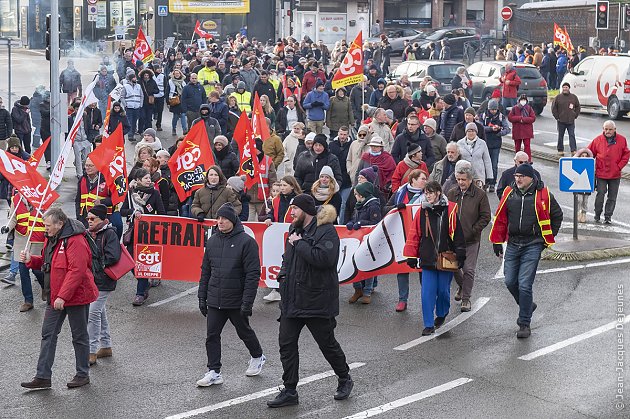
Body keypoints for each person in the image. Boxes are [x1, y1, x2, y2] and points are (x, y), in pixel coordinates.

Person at [267, 194, 353, 407]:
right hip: (292, 299)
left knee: (327, 344)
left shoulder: (326, 230)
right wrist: (282, 278)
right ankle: (289, 390)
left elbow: (325, 259)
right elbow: (287, 258)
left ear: (306, 210)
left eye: (295, 209)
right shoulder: (293, 231)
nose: (291, 212)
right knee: (286, 345)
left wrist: (300, 244)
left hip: (317, 299)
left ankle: (344, 378)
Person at [20, 208, 99, 390]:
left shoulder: (76, 240)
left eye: (48, 225)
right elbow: (49, 263)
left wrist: (63, 295)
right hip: (56, 295)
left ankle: (82, 374)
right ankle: (43, 376)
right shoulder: (52, 237)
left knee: (79, 336)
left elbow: (77, 271)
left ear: (60, 224)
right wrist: (31, 260)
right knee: (48, 334)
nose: (44, 229)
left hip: (76, 296)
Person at [196, 203, 266, 387]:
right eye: (218, 218)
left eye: (224, 218)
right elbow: (205, 271)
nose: (220, 221)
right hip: (215, 299)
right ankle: (214, 371)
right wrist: (202, 297)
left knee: (244, 332)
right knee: (212, 335)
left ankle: (258, 356)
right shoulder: (212, 241)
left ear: (233, 220)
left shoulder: (246, 242)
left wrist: (247, 303)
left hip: (236, 299)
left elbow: (253, 274)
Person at [490, 163, 563, 338]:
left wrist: (547, 239)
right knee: (509, 281)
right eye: (516, 176)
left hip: (533, 244)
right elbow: (500, 218)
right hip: (514, 243)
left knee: (524, 284)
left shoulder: (543, 194)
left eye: (521, 176)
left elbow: (557, 215)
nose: (518, 179)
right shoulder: (509, 193)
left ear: (531, 178)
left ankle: (524, 323)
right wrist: (497, 242)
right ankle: (527, 305)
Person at [403, 181, 466, 336]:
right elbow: (414, 234)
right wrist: (411, 255)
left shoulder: (450, 210)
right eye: (426, 193)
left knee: (443, 291)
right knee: (427, 292)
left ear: (438, 192)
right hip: (427, 258)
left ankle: (443, 312)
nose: (428, 195)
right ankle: (428, 324)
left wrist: (461, 253)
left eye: (430, 192)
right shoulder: (421, 212)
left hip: (446, 258)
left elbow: (457, 234)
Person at [446, 161, 490, 312]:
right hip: (453, 240)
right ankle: (461, 286)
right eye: (458, 179)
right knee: (454, 268)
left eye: (463, 179)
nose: (460, 182)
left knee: (468, 269)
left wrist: (473, 230)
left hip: (471, 239)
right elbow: (446, 213)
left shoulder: (480, 195)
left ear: (470, 179)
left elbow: (485, 217)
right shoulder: (452, 193)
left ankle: (466, 299)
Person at [120, 168, 166, 306]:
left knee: (143, 262)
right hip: (133, 232)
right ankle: (144, 281)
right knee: (130, 260)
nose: (149, 180)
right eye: (145, 178)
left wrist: (150, 218)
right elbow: (122, 211)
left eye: (149, 178)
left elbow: (162, 212)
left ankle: (140, 293)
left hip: (148, 234)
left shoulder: (155, 193)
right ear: (138, 180)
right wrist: (133, 211)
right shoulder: (130, 194)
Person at [86, 204, 121, 366]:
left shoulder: (109, 233)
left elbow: (113, 256)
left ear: (101, 219)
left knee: (93, 313)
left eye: (92, 218)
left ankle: (91, 351)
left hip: (104, 280)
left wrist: (96, 266)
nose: (89, 221)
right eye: (88, 218)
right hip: (93, 279)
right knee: (100, 312)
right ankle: (106, 346)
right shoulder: (89, 234)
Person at [390, 169, 428, 312]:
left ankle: (426, 298)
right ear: (413, 180)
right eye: (423, 178)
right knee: (402, 268)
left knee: (422, 269)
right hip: (402, 236)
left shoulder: (427, 195)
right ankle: (402, 300)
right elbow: (386, 209)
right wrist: (396, 208)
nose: (425, 181)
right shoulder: (400, 192)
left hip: (421, 237)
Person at [3, 193, 45, 311]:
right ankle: (28, 301)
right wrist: (7, 227)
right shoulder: (15, 199)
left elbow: (48, 217)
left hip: (37, 240)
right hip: (21, 241)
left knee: (38, 271)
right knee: (23, 271)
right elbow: (13, 218)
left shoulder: (42, 197)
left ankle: (45, 288)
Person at [587, 120, 630, 224]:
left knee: (612, 197)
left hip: (615, 174)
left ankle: (608, 217)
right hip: (601, 173)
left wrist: (619, 167)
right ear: (603, 129)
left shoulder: (622, 140)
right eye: (606, 129)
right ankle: (597, 215)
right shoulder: (597, 140)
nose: (608, 131)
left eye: (610, 129)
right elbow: (589, 153)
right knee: (600, 194)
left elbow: (626, 154)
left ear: (614, 130)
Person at [346, 181, 382, 304]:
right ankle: (357, 289)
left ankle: (367, 291)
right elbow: (354, 218)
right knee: (354, 263)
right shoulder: (359, 205)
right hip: (358, 239)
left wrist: (361, 223)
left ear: (362, 194)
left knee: (367, 265)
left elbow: (376, 222)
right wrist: (351, 223)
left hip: (369, 240)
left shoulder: (373, 206)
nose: (355, 196)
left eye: (356, 194)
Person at [480, 99, 511, 192]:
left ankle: (493, 183)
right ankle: (485, 181)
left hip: (496, 144)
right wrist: (491, 129)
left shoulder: (501, 117)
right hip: (486, 143)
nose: (493, 111)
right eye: (491, 109)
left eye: (494, 109)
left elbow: (507, 129)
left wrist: (499, 132)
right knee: (485, 164)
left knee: (494, 165)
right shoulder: (484, 116)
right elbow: (481, 127)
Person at [75, 158, 113, 228]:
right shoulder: (82, 179)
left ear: (98, 167)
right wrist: (78, 216)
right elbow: (78, 200)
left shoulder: (107, 180)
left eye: (91, 166)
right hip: (85, 218)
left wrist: (101, 202)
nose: (88, 168)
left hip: (101, 218)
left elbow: (114, 200)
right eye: (86, 165)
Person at [456, 123, 493, 190]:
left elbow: (487, 160)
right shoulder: (459, 143)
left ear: (476, 132)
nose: (471, 133)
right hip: (464, 174)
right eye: (469, 131)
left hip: (478, 175)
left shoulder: (482, 143)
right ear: (466, 132)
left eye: (473, 131)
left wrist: (489, 176)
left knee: (478, 195)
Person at [329, 127, 353, 224]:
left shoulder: (351, 145)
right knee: (333, 204)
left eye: (344, 134)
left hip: (346, 180)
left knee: (344, 204)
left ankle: (341, 224)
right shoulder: (332, 145)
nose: (342, 137)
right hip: (334, 179)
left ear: (348, 135)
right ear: (338, 134)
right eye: (341, 134)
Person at [552, 82, 581, 156]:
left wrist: (575, 115)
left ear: (569, 88)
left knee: (572, 135)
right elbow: (554, 108)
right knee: (560, 135)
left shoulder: (573, 97)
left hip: (570, 120)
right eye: (564, 87)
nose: (565, 89)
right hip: (561, 120)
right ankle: (560, 150)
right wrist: (557, 117)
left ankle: (573, 150)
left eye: (566, 87)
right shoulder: (558, 97)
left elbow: (578, 107)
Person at [508, 94, 536, 162]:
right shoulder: (515, 108)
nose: (523, 101)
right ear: (519, 101)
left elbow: (533, 118)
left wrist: (523, 119)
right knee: (517, 146)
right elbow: (510, 118)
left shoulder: (529, 108)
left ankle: (528, 160)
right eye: (521, 100)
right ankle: (518, 159)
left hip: (527, 131)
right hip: (517, 130)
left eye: (524, 100)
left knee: (527, 146)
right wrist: (519, 118)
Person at [168, 68, 188, 136]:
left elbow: (185, 91)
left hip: (182, 100)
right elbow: (167, 91)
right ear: (173, 74)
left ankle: (184, 130)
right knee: (176, 116)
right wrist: (168, 102)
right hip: (174, 100)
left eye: (178, 73)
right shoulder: (170, 81)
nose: (177, 75)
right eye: (175, 73)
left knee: (183, 115)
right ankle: (174, 128)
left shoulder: (183, 82)